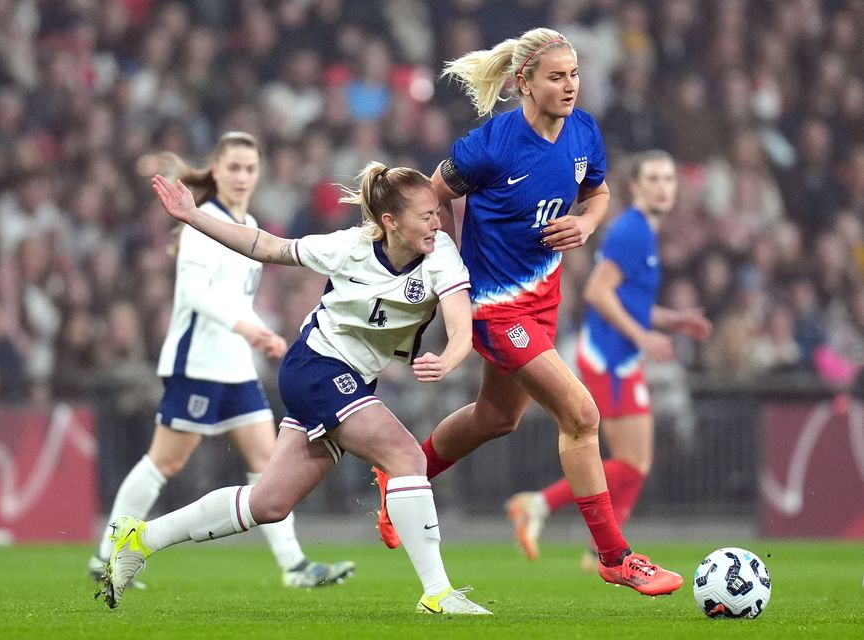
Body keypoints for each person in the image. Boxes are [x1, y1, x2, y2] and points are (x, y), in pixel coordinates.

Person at [99, 162, 491, 616]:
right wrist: (192, 216)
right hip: (316, 366)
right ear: (390, 222)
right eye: (425, 215)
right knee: (408, 457)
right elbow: (267, 246)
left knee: (268, 503)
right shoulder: (350, 247)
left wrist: (448, 359)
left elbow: (462, 323)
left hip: (352, 379)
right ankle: (438, 594)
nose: (437, 222)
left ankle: (141, 538)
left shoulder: (439, 250)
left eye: (437, 213)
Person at [374, 28, 683, 596]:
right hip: (493, 307)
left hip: (543, 304)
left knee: (497, 418)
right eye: (557, 77)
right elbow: (430, 198)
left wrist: (586, 225)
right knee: (582, 416)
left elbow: (599, 193)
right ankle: (616, 558)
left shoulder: (584, 132)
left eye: (574, 75)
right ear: (524, 83)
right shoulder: (490, 146)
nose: (570, 86)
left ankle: (401, 476)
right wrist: (425, 267)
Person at [88, 132, 354, 590]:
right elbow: (194, 293)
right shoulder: (203, 221)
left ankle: (293, 566)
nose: (242, 176)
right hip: (198, 362)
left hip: (235, 366)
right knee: (164, 462)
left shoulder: (245, 222)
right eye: (233, 167)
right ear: (216, 171)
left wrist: (261, 333)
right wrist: (248, 328)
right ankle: (106, 553)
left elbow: (234, 297)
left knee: (267, 463)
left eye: (250, 168)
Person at [506, 150, 712, 565]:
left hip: (619, 357)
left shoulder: (642, 232)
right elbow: (597, 292)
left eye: (668, 179)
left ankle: (595, 547)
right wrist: (644, 336)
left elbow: (626, 300)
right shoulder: (632, 231)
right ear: (634, 187)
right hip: (608, 359)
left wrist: (673, 320)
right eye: (652, 178)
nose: (662, 187)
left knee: (634, 464)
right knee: (632, 464)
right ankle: (542, 508)